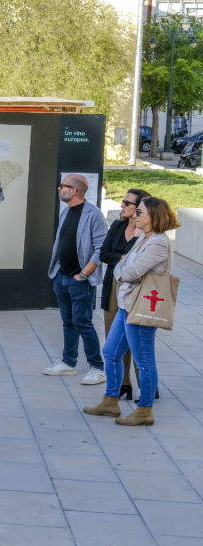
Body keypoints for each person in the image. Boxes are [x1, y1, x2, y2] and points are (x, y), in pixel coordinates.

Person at [83, 197, 179, 427]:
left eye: (140, 212)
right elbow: (120, 268)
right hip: (127, 305)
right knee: (111, 352)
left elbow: (131, 271)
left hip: (139, 307)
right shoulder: (143, 238)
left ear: (153, 216)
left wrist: (123, 267)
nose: (134, 216)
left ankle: (145, 410)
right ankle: (110, 400)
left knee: (144, 361)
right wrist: (123, 267)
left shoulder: (157, 242)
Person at [43, 174, 107, 385]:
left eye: (63, 186)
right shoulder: (66, 212)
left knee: (83, 323)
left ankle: (97, 367)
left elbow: (101, 248)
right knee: (68, 322)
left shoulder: (93, 214)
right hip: (61, 277)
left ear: (75, 190)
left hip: (80, 280)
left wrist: (84, 274)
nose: (59, 188)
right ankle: (68, 363)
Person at [99, 188, 151, 400]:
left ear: (139, 207)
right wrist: (121, 258)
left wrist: (122, 259)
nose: (122, 205)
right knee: (114, 335)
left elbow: (142, 261)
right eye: (122, 201)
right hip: (114, 284)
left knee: (137, 339)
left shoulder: (147, 233)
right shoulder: (118, 225)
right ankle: (123, 384)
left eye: (127, 203)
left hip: (136, 289)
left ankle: (147, 386)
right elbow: (104, 253)